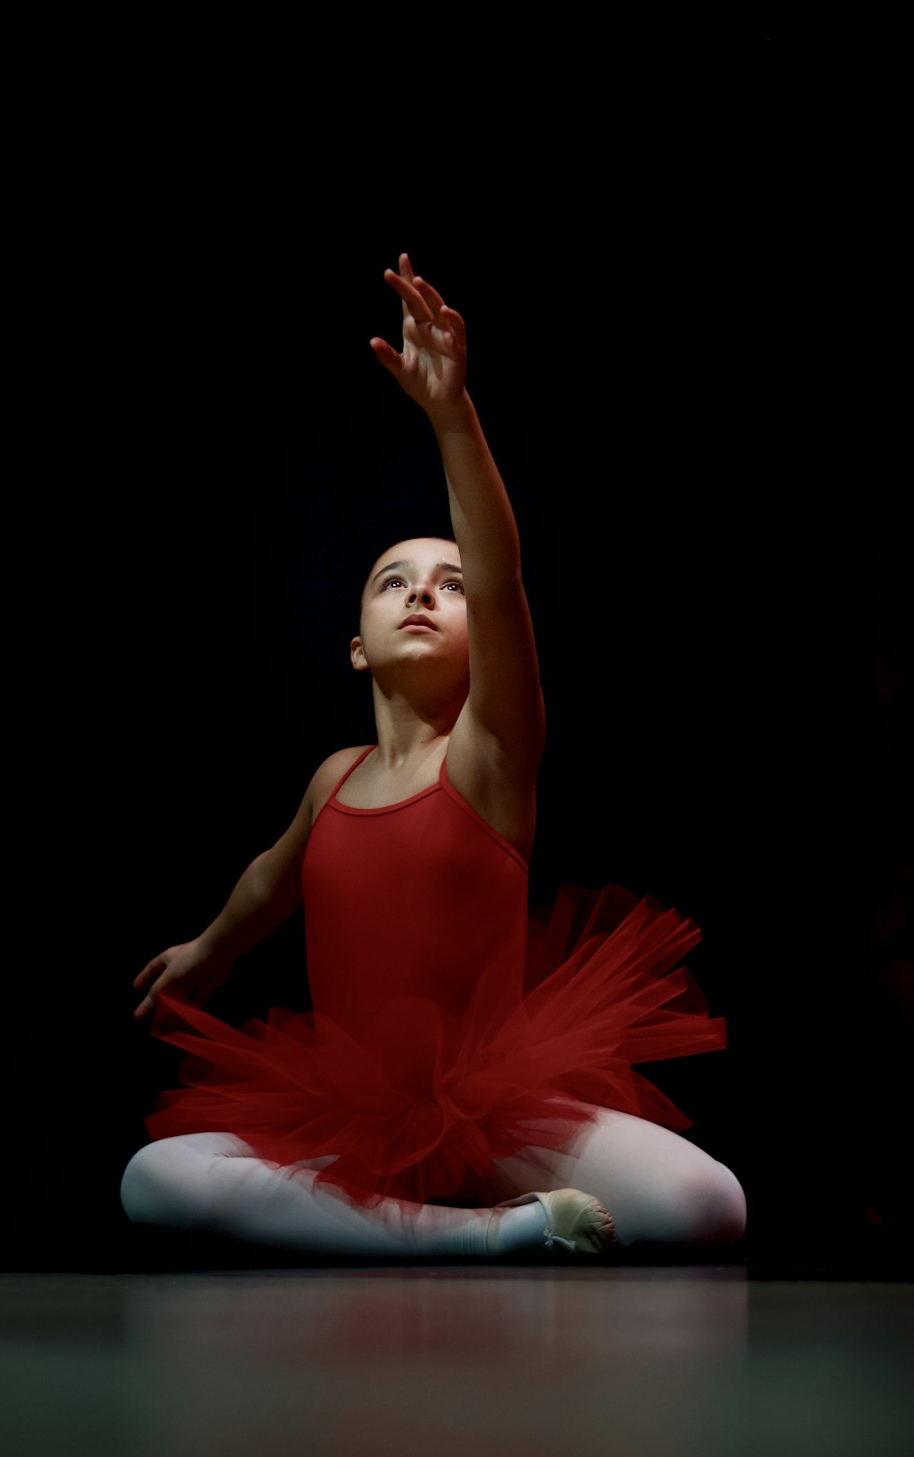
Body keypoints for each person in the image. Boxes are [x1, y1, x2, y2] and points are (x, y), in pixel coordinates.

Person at [120, 256, 746, 1259]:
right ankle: (478, 1237)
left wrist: (453, 417)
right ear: (358, 640)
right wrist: (212, 948)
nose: (424, 592)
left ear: (474, 630)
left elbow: (502, 577)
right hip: (345, 1118)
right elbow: (270, 881)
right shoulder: (334, 777)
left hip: (497, 1116)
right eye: (393, 580)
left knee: (710, 1201)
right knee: (150, 1176)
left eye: (446, 585)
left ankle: (444, 1218)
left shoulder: (492, 756)